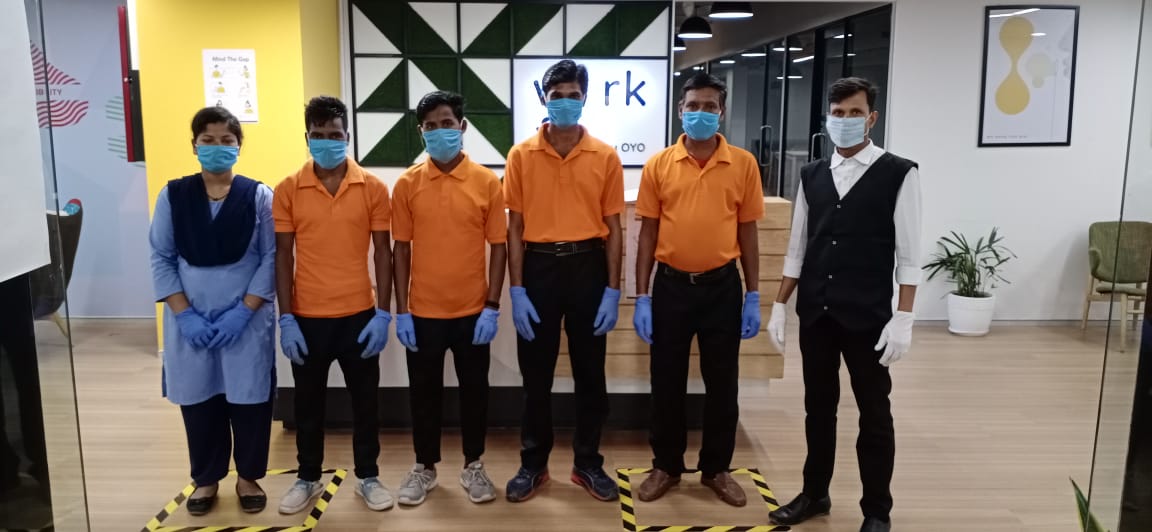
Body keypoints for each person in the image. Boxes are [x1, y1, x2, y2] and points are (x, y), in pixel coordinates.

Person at [766, 77, 921, 532]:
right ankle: (815, 493)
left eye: (855, 113)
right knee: (818, 408)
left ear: (872, 118)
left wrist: (904, 317)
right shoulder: (811, 175)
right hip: (817, 313)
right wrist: (780, 305)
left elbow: (910, 257)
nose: (846, 120)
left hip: (868, 316)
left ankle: (877, 510)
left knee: (874, 413)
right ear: (827, 118)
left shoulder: (899, 173)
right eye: (838, 113)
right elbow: (798, 248)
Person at [631, 73, 764, 508]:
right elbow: (648, 234)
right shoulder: (659, 164)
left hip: (722, 287)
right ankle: (666, 466)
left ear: (721, 112)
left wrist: (753, 294)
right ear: (680, 109)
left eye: (709, 106)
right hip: (671, 287)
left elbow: (748, 233)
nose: (701, 113)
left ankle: (716, 469)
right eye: (693, 105)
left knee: (722, 383)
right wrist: (643, 295)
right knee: (665, 381)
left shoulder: (743, 164)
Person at [503, 59, 625, 503]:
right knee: (535, 376)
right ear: (544, 99)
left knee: (591, 374)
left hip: (588, 268)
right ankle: (533, 464)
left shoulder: (605, 156)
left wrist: (613, 289)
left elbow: (614, 227)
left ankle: (587, 463)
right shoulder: (521, 155)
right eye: (557, 96)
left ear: (585, 98)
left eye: (574, 96)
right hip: (538, 270)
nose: (566, 103)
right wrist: (517, 289)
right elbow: (514, 227)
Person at [149, 106, 275, 515]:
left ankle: (249, 476)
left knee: (250, 401)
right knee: (200, 401)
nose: (217, 147)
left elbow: (271, 258)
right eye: (208, 140)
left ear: (239, 146)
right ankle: (205, 479)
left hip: (246, 320)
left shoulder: (258, 196)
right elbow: (161, 256)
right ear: (194, 145)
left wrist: (244, 311)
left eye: (226, 140)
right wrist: (184, 314)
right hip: (191, 319)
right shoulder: (173, 195)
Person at [272, 96, 394, 514]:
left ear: (347, 137)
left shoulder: (372, 188)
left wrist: (383, 312)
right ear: (306, 138)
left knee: (366, 403)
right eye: (318, 135)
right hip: (307, 318)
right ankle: (308, 477)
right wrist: (286, 318)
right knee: (308, 405)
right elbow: (283, 255)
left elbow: (383, 252)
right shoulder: (288, 189)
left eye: (335, 134)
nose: (327, 141)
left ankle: (368, 476)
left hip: (359, 315)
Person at [391, 91, 507, 506]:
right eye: (430, 126)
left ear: (462, 126)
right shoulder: (407, 184)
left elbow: (499, 246)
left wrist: (491, 307)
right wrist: (402, 311)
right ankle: (424, 467)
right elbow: (400, 249)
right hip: (423, 312)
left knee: (475, 392)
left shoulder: (487, 181)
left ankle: (473, 464)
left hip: (473, 312)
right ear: (420, 131)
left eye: (447, 123)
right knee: (423, 394)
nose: (439, 132)